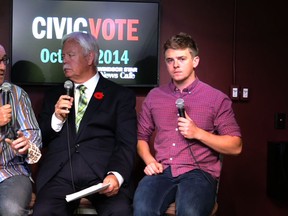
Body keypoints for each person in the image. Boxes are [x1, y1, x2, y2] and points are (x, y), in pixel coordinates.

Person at [133, 32, 243, 216]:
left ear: (195, 61)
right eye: (170, 60)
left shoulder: (216, 98)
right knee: (142, 208)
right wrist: (149, 160)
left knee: (190, 211)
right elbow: (141, 137)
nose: (175, 65)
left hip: (199, 173)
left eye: (182, 59)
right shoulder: (154, 97)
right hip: (163, 171)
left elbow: (236, 146)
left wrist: (198, 133)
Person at [32, 32, 137, 216]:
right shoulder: (54, 95)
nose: (65, 61)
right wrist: (56, 119)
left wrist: (116, 175)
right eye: (63, 56)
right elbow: (41, 139)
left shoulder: (119, 96)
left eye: (71, 55)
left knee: (119, 211)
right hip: (60, 175)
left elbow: (126, 143)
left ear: (90, 57)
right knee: (43, 211)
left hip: (101, 174)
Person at [0, 44, 42, 216]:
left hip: (12, 171)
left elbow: (34, 136)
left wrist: (26, 145)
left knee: (11, 208)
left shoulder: (17, 95)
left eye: (3, 60)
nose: (2, 67)